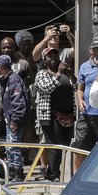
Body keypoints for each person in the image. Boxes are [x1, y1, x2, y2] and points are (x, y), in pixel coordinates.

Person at [32, 49, 73, 182]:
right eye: (50, 56)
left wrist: (70, 74)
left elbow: (77, 85)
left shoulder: (65, 73)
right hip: (51, 116)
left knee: (65, 144)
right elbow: (46, 88)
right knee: (55, 144)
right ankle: (53, 173)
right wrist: (59, 74)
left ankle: (59, 171)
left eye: (56, 55)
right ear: (45, 60)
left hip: (67, 115)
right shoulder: (41, 74)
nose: (54, 58)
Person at [71, 40, 98, 169]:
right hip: (86, 113)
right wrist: (80, 100)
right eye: (95, 49)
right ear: (90, 50)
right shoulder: (84, 66)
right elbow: (80, 88)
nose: (97, 52)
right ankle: (77, 178)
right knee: (80, 147)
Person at [0, 54, 29, 182]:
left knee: (14, 146)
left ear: (2, 67)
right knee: (10, 146)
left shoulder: (14, 80)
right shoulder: (6, 79)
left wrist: (15, 120)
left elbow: (18, 102)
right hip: (9, 118)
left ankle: (17, 173)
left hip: (15, 119)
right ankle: (12, 172)